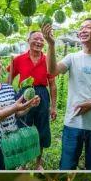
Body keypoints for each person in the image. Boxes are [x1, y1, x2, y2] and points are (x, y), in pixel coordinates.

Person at [43, 20, 91, 170]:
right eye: (81, 28)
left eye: (88, 27)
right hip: (73, 122)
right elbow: (52, 71)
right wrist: (51, 44)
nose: (83, 30)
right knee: (66, 168)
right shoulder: (72, 57)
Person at [8, 30, 57, 169]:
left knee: (42, 127)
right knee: (23, 127)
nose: (39, 42)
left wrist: (53, 107)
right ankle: (23, 164)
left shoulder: (48, 60)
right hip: (24, 94)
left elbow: (53, 85)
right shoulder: (18, 59)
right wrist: (7, 97)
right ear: (28, 40)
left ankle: (38, 163)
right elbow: (9, 79)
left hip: (42, 93)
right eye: (35, 38)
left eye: (42, 40)